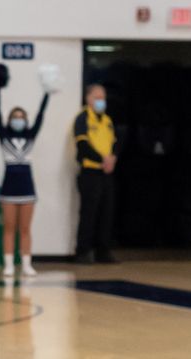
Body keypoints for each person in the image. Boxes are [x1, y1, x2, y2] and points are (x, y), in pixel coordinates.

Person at [0, 82, 49, 278]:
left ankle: (27, 263)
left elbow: (41, 117)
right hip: (9, 187)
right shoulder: (4, 137)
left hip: (27, 187)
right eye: (15, 118)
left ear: (26, 121)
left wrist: (46, 94)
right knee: (9, 228)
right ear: (9, 121)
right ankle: (8, 264)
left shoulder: (30, 136)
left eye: (21, 117)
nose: (18, 120)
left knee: (25, 228)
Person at [73, 83, 118, 265]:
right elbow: (82, 146)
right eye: (97, 98)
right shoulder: (82, 118)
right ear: (88, 99)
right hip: (90, 171)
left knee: (106, 212)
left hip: (106, 173)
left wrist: (112, 158)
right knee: (89, 213)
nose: (101, 101)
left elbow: (114, 143)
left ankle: (103, 251)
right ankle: (83, 251)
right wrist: (102, 159)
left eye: (103, 98)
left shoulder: (107, 120)